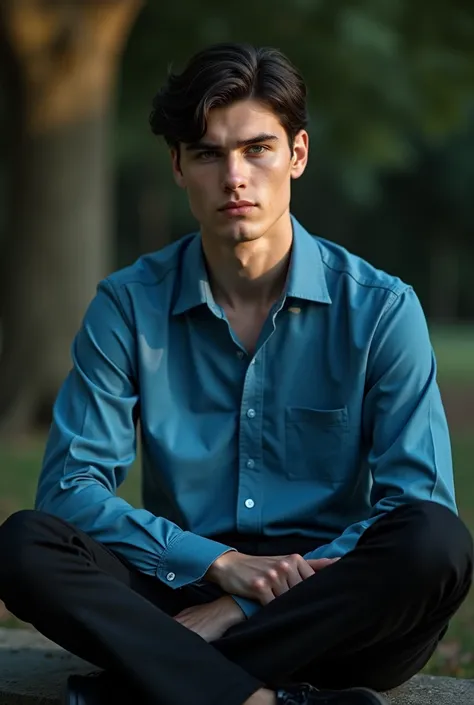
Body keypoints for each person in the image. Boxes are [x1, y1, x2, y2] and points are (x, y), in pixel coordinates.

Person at [0, 42, 472, 705]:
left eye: (257, 149)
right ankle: (256, 699)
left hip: (334, 604)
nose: (235, 176)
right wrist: (218, 567)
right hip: (180, 587)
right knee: (26, 543)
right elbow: (71, 489)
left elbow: (414, 500)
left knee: (435, 539)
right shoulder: (128, 306)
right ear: (178, 166)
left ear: (297, 155)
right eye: (208, 153)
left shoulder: (381, 309)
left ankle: (146, 686)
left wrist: (242, 607)